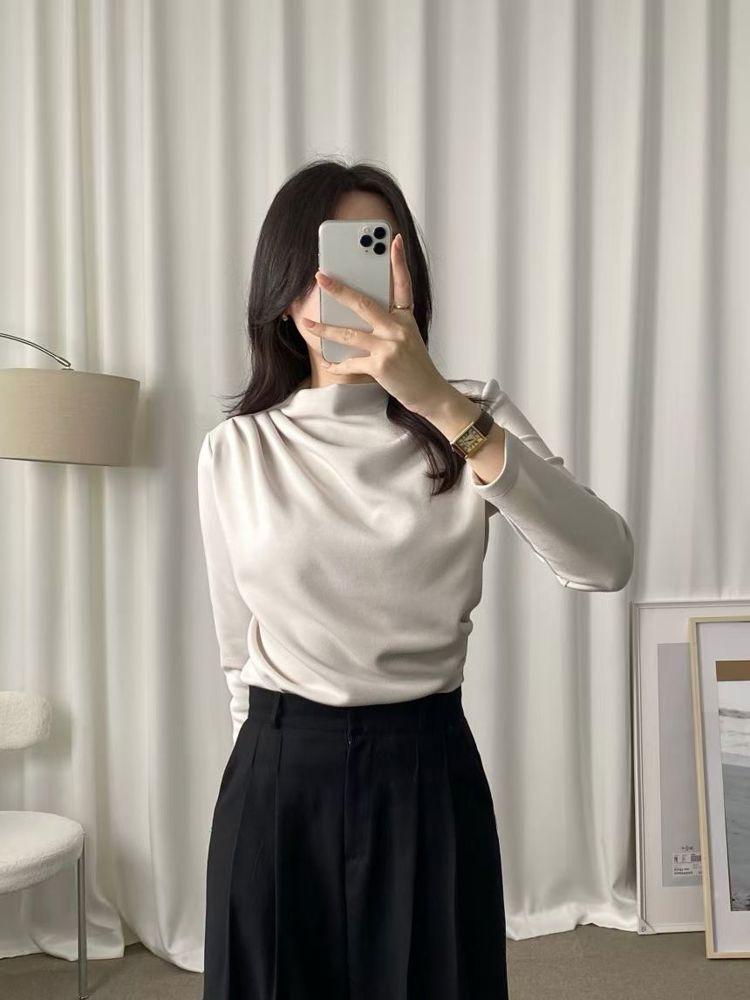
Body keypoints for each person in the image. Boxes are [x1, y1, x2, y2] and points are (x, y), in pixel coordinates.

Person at [196, 157, 634, 1000]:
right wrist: (262, 789)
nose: (342, 290)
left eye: (369, 253)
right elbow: (235, 652)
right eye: (320, 264)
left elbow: (605, 560)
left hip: (426, 772)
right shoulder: (237, 450)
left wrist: (438, 403)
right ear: (284, 294)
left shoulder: (470, 415)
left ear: (406, 276)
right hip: (278, 777)